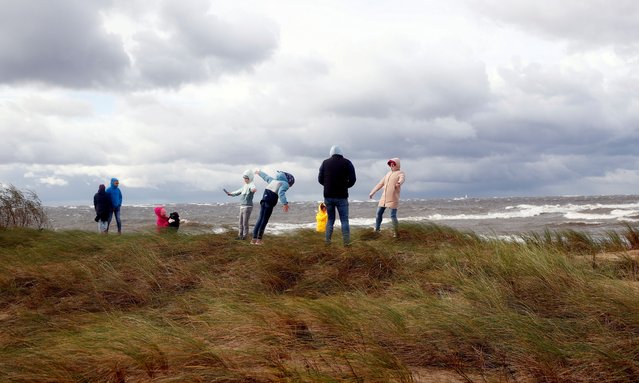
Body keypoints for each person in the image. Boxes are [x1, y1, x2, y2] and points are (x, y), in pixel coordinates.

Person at [318, 145, 356, 246]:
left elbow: (320, 179)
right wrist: (346, 186)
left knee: (330, 220)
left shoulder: (325, 163)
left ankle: (327, 242)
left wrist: (327, 186)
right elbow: (353, 179)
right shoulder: (347, 162)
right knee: (344, 220)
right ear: (341, 153)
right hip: (342, 196)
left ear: (331, 153)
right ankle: (346, 243)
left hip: (328, 196)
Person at [251, 170, 293, 245]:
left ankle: (253, 239)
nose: (289, 186)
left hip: (263, 200)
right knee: (264, 221)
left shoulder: (273, 180)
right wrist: (285, 203)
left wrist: (259, 172)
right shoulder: (284, 183)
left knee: (260, 219)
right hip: (270, 202)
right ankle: (259, 240)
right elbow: (281, 193)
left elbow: (265, 177)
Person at [369, 158, 405, 238]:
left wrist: (399, 183)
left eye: (393, 164)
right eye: (390, 164)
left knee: (392, 216)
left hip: (393, 198)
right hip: (383, 198)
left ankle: (396, 233)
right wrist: (373, 192)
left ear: (397, 164)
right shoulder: (388, 174)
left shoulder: (400, 173)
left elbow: (402, 179)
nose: (392, 165)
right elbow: (380, 184)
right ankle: (377, 230)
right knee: (378, 214)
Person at [224, 169, 257, 240]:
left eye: (246, 178)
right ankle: (240, 235)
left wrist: (253, 190)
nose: (245, 179)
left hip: (248, 207)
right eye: (244, 178)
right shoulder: (245, 186)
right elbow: (238, 191)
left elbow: (253, 188)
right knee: (240, 222)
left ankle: (245, 236)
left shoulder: (251, 184)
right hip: (242, 206)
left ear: (250, 178)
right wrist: (230, 193)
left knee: (245, 222)